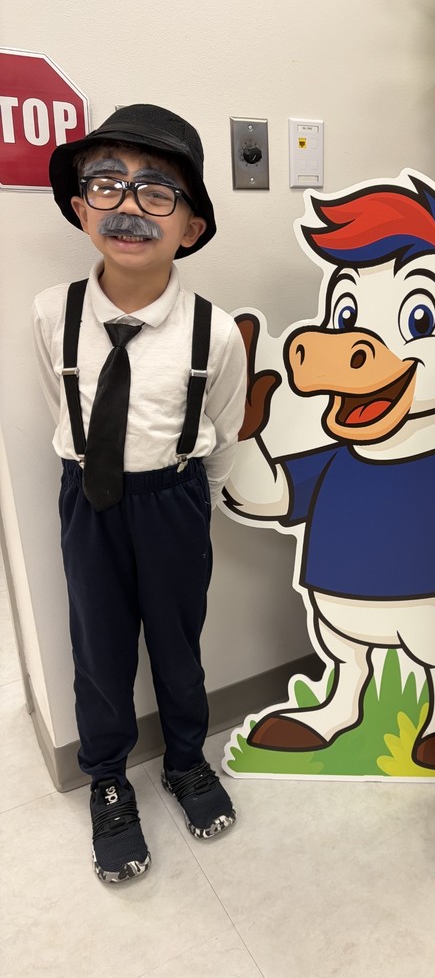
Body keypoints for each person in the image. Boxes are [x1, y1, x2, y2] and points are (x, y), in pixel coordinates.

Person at [33, 104, 246, 883]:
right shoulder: (50, 314)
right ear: (79, 205)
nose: (129, 206)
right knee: (99, 646)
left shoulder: (214, 333)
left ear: (190, 226)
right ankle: (107, 778)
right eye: (108, 184)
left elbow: (226, 432)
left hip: (175, 501)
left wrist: (189, 501)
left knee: (178, 643)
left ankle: (186, 760)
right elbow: (61, 408)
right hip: (88, 501)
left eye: (157, 191)